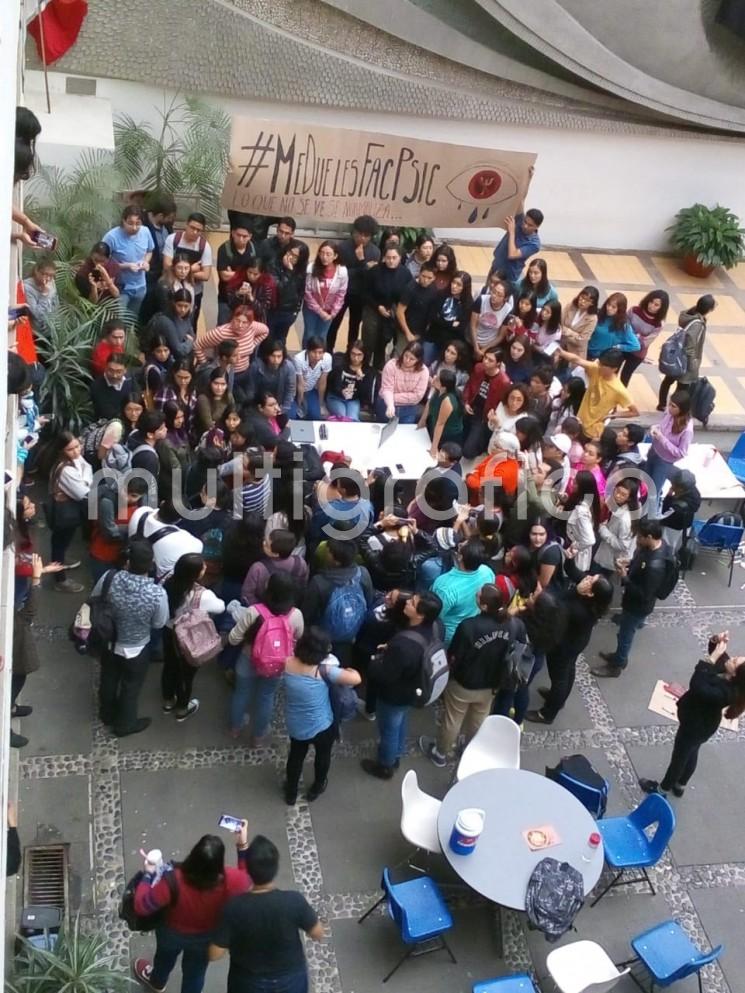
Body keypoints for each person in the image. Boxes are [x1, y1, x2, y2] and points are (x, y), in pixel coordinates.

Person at [133, 823, 251, 993]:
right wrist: (242, 845)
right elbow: (247, 878)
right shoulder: (231, 881)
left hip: (171, 932)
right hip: (205, 938)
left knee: (164, 958)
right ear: (219, 863)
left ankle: (157, 982)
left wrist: (148, 874)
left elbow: (141, 906)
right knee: (195, 974)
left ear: (193, 856)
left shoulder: (172, 880)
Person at [420, 583, 526, 766]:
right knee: (479, 719)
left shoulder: (469, 626)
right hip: (493, 683)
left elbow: (454, 655)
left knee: (453, 719)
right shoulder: (513, 624)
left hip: (465, 682)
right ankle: (470, 750)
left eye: (478, 595)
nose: (476, 595)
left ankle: (440, 753)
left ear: (484, 606)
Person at [209, 833, 323, 992]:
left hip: (247, 980)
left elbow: (214, 954)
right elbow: (318, 933)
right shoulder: (293, 901)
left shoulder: (234, 907)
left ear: (248, 869)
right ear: (275, 867)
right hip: (290, 979)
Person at [638, 632, 745, 798]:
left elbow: (698, 685)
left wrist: (710, 660)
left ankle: (662, 790)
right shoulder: (729, 673)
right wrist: (715, 641)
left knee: (679, 758)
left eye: (736, 660)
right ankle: (681, 785)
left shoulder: (726, 693)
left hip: (695, 726)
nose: (733, 657)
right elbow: (719, 655)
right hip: (701, 725)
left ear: (736, 674)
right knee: (691, 752)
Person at [361, 592, 443, 779]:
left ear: (420, 615)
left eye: (413, 603)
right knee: (400, 721)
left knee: (388, 728)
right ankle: (397, 752)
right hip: (412, 689)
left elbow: (385, 674)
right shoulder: (435, 628)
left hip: (394, 694)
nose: (407, 602)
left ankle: (385, 765)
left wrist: (375, 661)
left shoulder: (404, 644)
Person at [94, 539, 169, 737]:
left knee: (108, 678)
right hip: (137, 647)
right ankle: (125, 724)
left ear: (127, 562)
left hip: (110, 640)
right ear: (151, 564)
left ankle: (107, 713)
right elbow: (159, 623)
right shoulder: (157, 594)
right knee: (131, 686)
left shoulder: (109, 578)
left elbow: (95, 599)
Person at [526, 556, 613, 724]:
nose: (587, 577)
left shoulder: (580, 610)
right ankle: (559, 698)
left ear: (590, 592)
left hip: (565, 645)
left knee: (559, 676)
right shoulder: (592, 596)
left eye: (590, 579)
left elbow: (556, 605)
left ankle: (548, 713)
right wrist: (570, 560)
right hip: (576, 641)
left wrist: (574, 591)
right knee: (568, 670)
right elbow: (575, 572)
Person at [282, 627, 362, 803]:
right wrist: (351, 671)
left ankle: (291, 791)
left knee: (295, 756)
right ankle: (318, 785)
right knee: (323, 755)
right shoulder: (325, 671)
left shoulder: (288, 663)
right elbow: (356, 679)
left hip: (296, 724)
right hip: (323, 724)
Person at [592, 520, 675, 677]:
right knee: (625, 630)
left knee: (625, 635)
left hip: (637, 606)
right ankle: (618, 656)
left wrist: (625, 578)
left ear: (649, 537)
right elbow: (641, 562)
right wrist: (630, 563)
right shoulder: (655, 546)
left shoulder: (655, 566)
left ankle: (618, 664)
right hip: (634, 603)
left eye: (640, 537)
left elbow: (645, 594)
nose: (637, 540)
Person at [228, 573, 305, 741]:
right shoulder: (296, 614)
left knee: (241, 693)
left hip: (248, 659)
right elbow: (298, 637)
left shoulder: (254, 611)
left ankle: (235, 727)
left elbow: (233, 639)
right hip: (277, 664)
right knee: (266, 696)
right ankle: (258, 735)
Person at [163, 553, 226, 723]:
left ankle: (168, 700)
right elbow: (220, 607)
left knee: (169, 666)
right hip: (189, 638)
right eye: (203, 567)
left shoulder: (167, 582)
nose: (205, 568)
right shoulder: (203, 595)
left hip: (169, 633)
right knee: (186, 674)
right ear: (196, 574)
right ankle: (182, 708)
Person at [554, 346, 639, 441]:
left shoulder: (619, 390)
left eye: (604, 366)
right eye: (600, 363)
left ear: (614, 369)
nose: (600, 367)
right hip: (578, 422)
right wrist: (561, 352)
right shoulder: (596, 369)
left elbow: (634, 412)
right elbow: (577, 360)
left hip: (592, 432)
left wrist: (612, 415)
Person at [47, 431, 92, 593]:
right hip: (64, 512)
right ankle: (60, 580)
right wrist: (86, 481)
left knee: (63, 541)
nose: (76, 451)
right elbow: (83, 492)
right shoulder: (65, 469)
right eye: (70, 449)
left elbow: (88, 467)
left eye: (77, 446)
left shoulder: (74, 459)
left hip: (68, 509)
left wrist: (84, 480)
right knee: (59, 543)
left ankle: (61, 561)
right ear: (61, 451)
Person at [326, 215, 380, 350]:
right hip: (342, 293)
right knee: (334, 324)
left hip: (361, 295)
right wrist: (363, 267)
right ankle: (328, 352)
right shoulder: (343, 248)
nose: (362, 238)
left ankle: (350, 354)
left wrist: (362, 263)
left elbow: (371, 276)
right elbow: (339, 273)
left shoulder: (375, 251)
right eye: (359, 234)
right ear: (354, 232)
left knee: (354, 326)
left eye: (366, 235)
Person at [195, 304, 269, 398]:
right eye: (237, 320)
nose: (240, 325)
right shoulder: (220, 333)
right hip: (226, 375)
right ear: (232, 318)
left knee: (249, 396)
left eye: (244, 322)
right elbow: (197, 345)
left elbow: (265, 331)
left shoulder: (253, 327)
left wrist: (253, 344)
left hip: (246, 370)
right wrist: (205, 364)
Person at [431, 537, 494, 645]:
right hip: (472, 631)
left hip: (449, 637)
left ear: (460, 557)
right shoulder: (487, 572)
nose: (459, 544)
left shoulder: (445, 587)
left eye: (462, 545)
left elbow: (433, 614)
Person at [658, 294, 716, 410]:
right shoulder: (697, 324)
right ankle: (673, 409)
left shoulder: (689, 314)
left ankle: (662, 404)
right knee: (682, 388)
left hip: (676, 355)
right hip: (684, 359)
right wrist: (692, 363)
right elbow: (691, 345)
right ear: (709, 309)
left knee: (668, 381)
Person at [362, 244, 413, 370]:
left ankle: (379, 368)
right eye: (388, 257)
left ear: (400, 258)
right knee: (369, 340)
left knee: (384, 340)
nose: (391, 260)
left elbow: (407, 295)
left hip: (392, 311)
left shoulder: (405, 274)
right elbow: (365, 292)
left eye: (394, 257)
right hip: (373, 308)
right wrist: (378, 306)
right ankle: (364, 366)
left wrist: (395, 308)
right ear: (384, 257)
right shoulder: (375, 271)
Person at [128, 502, 204, 583]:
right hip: (154, 583)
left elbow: (152, 511)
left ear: (162, 503)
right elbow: (199, 548)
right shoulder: (186, 541)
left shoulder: (140, 512)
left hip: (130, 566)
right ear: (179, 519)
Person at [643, 390, 694, 511]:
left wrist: (661, 438)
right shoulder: (668, 413)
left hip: (664, 461)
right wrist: (655, 428)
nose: (669, 408)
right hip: (654, 451)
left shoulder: (686, 430)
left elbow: (681, 452)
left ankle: (650, 517)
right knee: (646, 482)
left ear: (682, 409)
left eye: (673, 406)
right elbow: (661, 426)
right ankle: (643, 507)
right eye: (669, 404)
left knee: (654, 490)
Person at [163, 213, 213, 326]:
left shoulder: (204, 246)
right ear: (186, 225)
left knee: (191, 322)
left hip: (194, 291)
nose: (195, 232)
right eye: (192, 228)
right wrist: (192, 269)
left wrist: (182, 270)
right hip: (172, 288)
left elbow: (206, 275)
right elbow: (166, 265)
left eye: (199, 230)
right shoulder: (173, 239)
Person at [103, 205, 154, 314]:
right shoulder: (111, 237)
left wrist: (146, 262)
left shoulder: (146, 232)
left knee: (132, 320)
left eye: (138, 223)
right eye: (130, 223)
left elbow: (150, 251)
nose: (134, 227)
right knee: (119, 321)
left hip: (140, 286)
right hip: (121, 287)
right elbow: (103, 261)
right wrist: (125, 266)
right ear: (123, 221)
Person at [462, 347, 511, 458]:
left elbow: (501, 404)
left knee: (468, 452)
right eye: (485, 358)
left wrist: (490, 419)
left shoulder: (503, 381)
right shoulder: (478, 368)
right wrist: (466, 402)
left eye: (490, 360)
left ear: (498, 363)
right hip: (472, 407)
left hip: (484, 417)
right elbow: (469, 386)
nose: (485, 361)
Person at [241, 530, 309, 606]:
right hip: (289, 608)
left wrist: (259, 611)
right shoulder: (301, 563)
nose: (263, 543)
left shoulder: (258, 568)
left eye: (267, 545)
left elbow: (246, 595)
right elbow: (303, 586)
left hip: (261, 610)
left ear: (276, 554)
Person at [301, 241, 348, 346]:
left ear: (335, 256)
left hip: (329, 310)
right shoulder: (311, 268)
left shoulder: (342, 271)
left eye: (328, 254)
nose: (324, 257)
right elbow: (307, 293)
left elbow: (341, 294)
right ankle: (304, 359)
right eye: (322, 253)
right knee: (309, 335)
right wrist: (320, 311)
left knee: (322, 336)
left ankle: (319, 360)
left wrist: (333, 313)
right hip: (311, 308)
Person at [621, 289, 670, 386]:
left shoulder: (658, 324)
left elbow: (645, 342)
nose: (651, 306)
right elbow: (623, 325)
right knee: (611, 371)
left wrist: (631, 334)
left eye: (656, 305)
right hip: (622, 345)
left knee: (625, 377)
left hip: (637, 353)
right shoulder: (634, 310)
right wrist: (638, 336)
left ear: (661, 308)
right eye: (651, 302)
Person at [593, 477, 639, 575]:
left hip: (612, 558)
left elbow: (623, 545)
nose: (618, 496)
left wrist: (603, 530)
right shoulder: (623, 507)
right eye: (617, 491)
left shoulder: (624, 519)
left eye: (623, 495)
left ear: (629, 498)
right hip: (609, 554)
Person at [376, 341, 430, 423]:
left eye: (412, 359)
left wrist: (392, 398)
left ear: (418, 360)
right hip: (386, 405)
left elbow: (417, 396)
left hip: (408, 409)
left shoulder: (424, 371)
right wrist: (390, 404)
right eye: (406, 356)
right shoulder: (391, 365)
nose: (407, 360)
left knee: (404, 432)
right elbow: (387, 388)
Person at [395, 262, 440, 359]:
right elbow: (400, 311)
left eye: (429, 278)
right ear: (419, 273)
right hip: (406, 330)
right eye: (423, 276)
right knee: (401, 355)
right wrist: (407, 333)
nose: (425, 280)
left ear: (434, 278)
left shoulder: (433, 289)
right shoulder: (410, 288)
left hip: (421, 331)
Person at [216, 217, 257, 324]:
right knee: (223, 329)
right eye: (238, 235)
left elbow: (256, 274)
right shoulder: (224, 249)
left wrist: (233, 273)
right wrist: (246, 273)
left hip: (246, 300)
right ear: (233, 233)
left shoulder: (254, 250)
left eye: (245, 236)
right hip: (226, 299)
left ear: (250, 236)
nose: (241, 239)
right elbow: (224, 276)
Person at [488, 207, 543, 285]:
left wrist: (512, 232)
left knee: (500, 295)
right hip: (496, 266)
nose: (525, 226)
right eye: (525, 222)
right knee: (486, 293)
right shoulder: (520, 219)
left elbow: (512, 254)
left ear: (537, 227)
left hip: (508, 276)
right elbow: (519, 199)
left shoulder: (534, 244)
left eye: (530, 225)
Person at [418, 368, 464, 459]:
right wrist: (422, 421)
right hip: (434, 425)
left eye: (438, 379)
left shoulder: (447, 400)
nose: (434, 378)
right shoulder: (438, 389)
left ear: (443, 387)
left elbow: (440, 424)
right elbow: (429, 403)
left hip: (447, 434)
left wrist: (434, 448)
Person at [465, 430, 521, 505]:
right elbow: (478, 468)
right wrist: (474, 476)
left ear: (507, 451)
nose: (492, 447)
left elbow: (482, 488)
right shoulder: (498, 456)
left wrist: (471, 476)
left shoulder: (505, 472)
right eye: (494, 444)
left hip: (488, 503)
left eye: (496, 446)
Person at [266, 241, 305, 344]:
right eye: (289, 253)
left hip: (288, 312)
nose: (290, 257)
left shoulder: (301, 272)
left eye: (295, 256)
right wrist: (288, 272)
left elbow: (299, 293)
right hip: (272, 310)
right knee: (268, 340)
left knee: (281, 341)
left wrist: (295, 311)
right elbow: (279, 288)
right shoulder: (273, 265)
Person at [244, 339, 296, 414]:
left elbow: (290, 390)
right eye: (273, 356)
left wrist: (284, 408)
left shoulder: (288, 367)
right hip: (260, 405)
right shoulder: (256, 366)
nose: (276, 360)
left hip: (279, 404)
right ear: (267, 355)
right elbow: (251, 389)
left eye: (279, 356)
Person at [325, 339, 373, 421]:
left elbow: (365, 395)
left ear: (364, 355)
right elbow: (332, 384)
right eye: (353, 354)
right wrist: (341, 391)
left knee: (353, 418)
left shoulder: (367, 370)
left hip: (353, 400)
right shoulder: (340, 364)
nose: (355, 358)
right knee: (342, 417)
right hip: (336, 397)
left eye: (359, 355)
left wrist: (361, 379)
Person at [427, 272, 473, 356]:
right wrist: (451, 324)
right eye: (453, 282)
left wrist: (440, 320)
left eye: (459, 285)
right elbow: (432, 317)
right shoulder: (441, 294)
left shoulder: (468, 304)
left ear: (465, 287)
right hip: (433, 336)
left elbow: (460, 328)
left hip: (451, 344)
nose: (454, 286)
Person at [564, 469, 601, 572]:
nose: (572, 484)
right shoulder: (589, 501)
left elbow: (589, 540)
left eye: (575, 483)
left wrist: (574, 546)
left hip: (576, 554)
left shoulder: (581, 511)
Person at [146, 290, 195, 363]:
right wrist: (190, 342)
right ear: (173, 303)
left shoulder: (187, 316)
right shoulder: (166, 321)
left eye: (186, 306)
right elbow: (179, 350)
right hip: (162, 360)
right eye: (179, 305)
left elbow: (192, 334)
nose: (183, 310)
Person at [586, 293, 639, 359]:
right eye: (608, 304)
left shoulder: (623, 325)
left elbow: (635, 346)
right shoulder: (599, 314)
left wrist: (617, 347)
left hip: (601, 358)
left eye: (613, 307)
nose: (609, 308)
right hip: (586, 351)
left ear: (620, 309)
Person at [470, 276, 512, 357]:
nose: (494, 296)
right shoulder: (481, 300)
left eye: (499, 295)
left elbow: (500, 336)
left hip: (490, 344)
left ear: (505, 298)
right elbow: (473, 325)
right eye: (493, 291)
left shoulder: (508, 310)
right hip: (474, 339)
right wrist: (476, 347)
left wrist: (484, 349)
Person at [293, 337, 331, 420]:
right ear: (308, 351)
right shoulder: (298, 359)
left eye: (320, 352)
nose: (317, 356)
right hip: (295, 391)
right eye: (314, 352)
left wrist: (321, 404)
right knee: (293, 415)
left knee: (315, 416)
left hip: (311, 390)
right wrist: (300, 404)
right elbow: (300, 384)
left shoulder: (327, 358)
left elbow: (322, 382)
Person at [560, 286, 599, 361]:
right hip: (561, 345)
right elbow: (559, 324)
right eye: (582, 297)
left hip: (576, 353)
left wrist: (568, 332)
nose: (582, 301)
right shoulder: (570, 306)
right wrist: (575, 335)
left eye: (587, 300)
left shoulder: (593, 318)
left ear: (592, 303)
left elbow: (582, 340)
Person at [91, 353, 133, 420]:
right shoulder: (97, 386)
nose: (114, 375)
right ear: (106, 368)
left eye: (119, 372)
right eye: (111, 371)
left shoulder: (129, 379)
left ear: (125, 370)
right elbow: (107, 413)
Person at [195, 368, 234, 437]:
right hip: (206, 435)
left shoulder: (228, 396)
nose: (219, 388)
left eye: (223, 384)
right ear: (210, 383)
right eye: (216, 383)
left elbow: (233, 415)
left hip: (223, 430)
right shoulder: (203, 398)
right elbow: (208, 424)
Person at [22, 258, 58, 328]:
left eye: (51, 275)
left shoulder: (51, 282)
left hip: (51, 327)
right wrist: (44, 295)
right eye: (45, 274)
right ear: (36, 271)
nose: (48, 279)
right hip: (37, 331)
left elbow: (56, 303)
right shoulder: (27, 287)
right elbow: (37, 315)